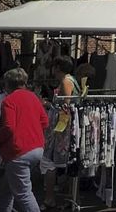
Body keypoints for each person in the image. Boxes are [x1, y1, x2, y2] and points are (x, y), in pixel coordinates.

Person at [0, 68, 48, 212]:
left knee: (23, 193)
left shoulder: (8, 101)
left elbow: (8, 128)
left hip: (19, 152)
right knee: (8, 188)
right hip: (37, 149)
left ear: (7, 84)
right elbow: (45, 121)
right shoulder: (33, 97)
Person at [42, 56, 77, 208]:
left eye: (55, 67)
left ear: (58, 68)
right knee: (61, 161)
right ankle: (68, 194)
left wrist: (47, 104)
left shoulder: (66, 81)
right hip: (64, 127)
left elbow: (65, 107)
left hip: (61, 129)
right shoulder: (70, 79)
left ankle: (49, 198)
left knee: (50, 162)